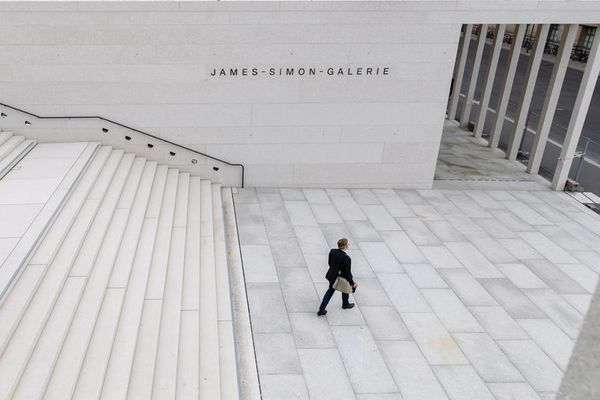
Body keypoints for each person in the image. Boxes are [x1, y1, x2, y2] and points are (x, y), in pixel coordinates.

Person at [317, 238, 358, 316]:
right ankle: (344, 304)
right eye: (347, 244)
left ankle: (322, 309)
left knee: (330, 291)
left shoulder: (332, 251)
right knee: (343, 288)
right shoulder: (347, 258)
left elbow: (330, 263)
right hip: (340, 278)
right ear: (345, 246)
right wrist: (352, 283)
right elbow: (348, 273)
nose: (349, 245)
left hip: (332, 275)